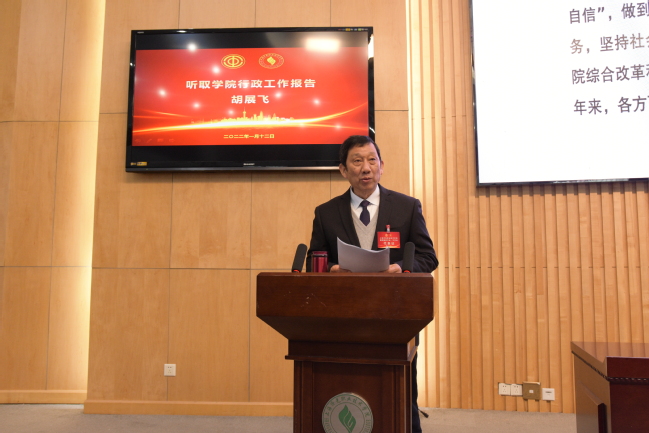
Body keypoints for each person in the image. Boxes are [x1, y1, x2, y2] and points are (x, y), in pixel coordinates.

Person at [306, 135, 438, 432]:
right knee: (348, 386)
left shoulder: (406, 207)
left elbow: (428, 257)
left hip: (396, 317)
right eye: (357, 161)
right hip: (344, 319)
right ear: (343, 170)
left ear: (381, 166)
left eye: (371, 160)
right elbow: (315, 258)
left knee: (402, 395)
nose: (365, 168)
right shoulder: (326, 213)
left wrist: (400, 267)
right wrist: (332, 269)